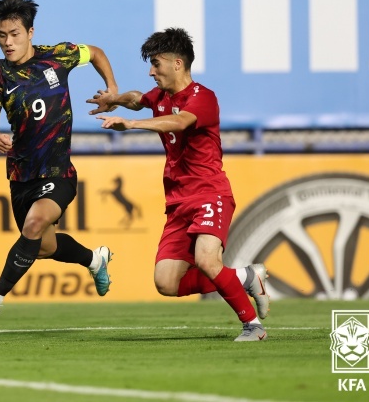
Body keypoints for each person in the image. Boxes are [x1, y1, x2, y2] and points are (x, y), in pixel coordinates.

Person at [87, 28, 270, 341]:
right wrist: (116, 99)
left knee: (206, 260)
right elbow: (138, 99)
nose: (151, 71)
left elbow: (179, 121)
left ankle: (253, 326)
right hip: (177, 201)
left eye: (156, 64)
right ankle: (245, 277)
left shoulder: (203, 98)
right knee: (167, 283)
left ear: (177, 64)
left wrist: (131, 124)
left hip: (210, 193)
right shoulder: (161, 96)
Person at [0, 0, 119, 322]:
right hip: (22, 175)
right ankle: (95, 260)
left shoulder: (58, 56)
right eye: (1, 36)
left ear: (30, 33)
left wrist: (112, 90)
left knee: (34, 224)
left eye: (15, 34)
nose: (7, 42)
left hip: (58, 171)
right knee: (43, 246)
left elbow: (96, 53)